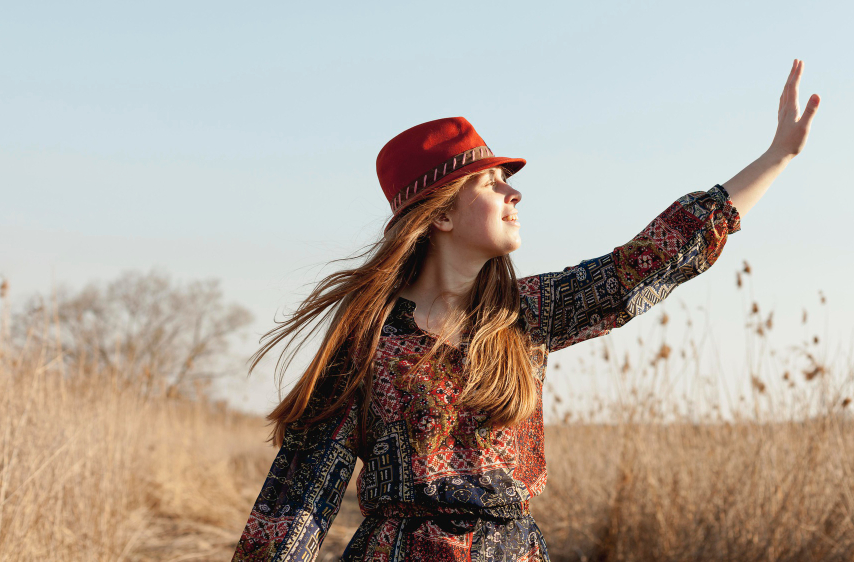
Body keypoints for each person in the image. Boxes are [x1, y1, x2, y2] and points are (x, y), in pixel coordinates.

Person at [232, 59, 820, 561]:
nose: (514, 194)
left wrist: (777, 157)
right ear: (438, 215)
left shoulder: (525, 313)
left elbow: (651, 259)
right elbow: (297, 502)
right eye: (491, 185)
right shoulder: (367, 338)